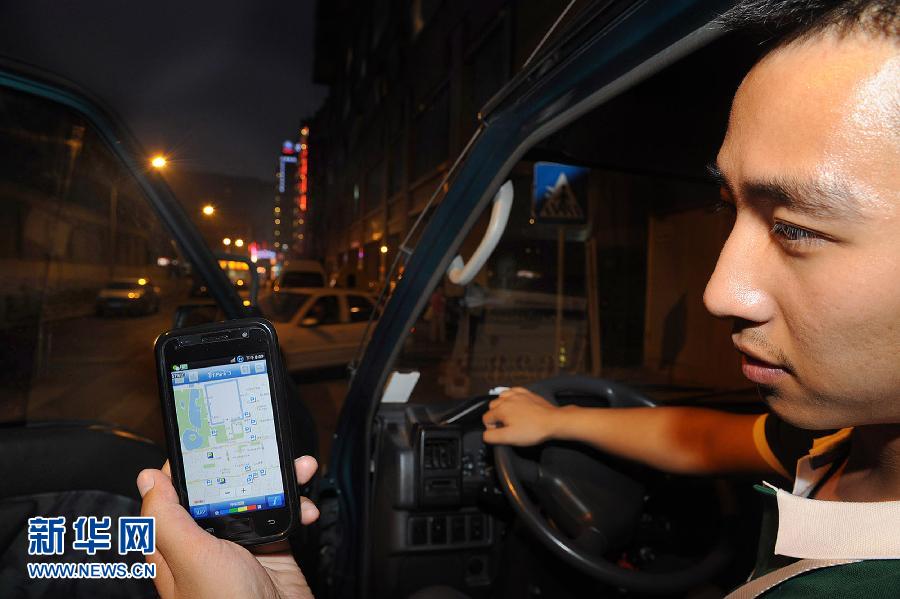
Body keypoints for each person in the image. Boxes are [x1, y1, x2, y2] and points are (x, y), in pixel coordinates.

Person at [483, 0, 900, 595]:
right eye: (729, 209)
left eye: (796, 228)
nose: (718, 292)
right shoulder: (841, 441)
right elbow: (701, 442)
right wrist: (557, 420)